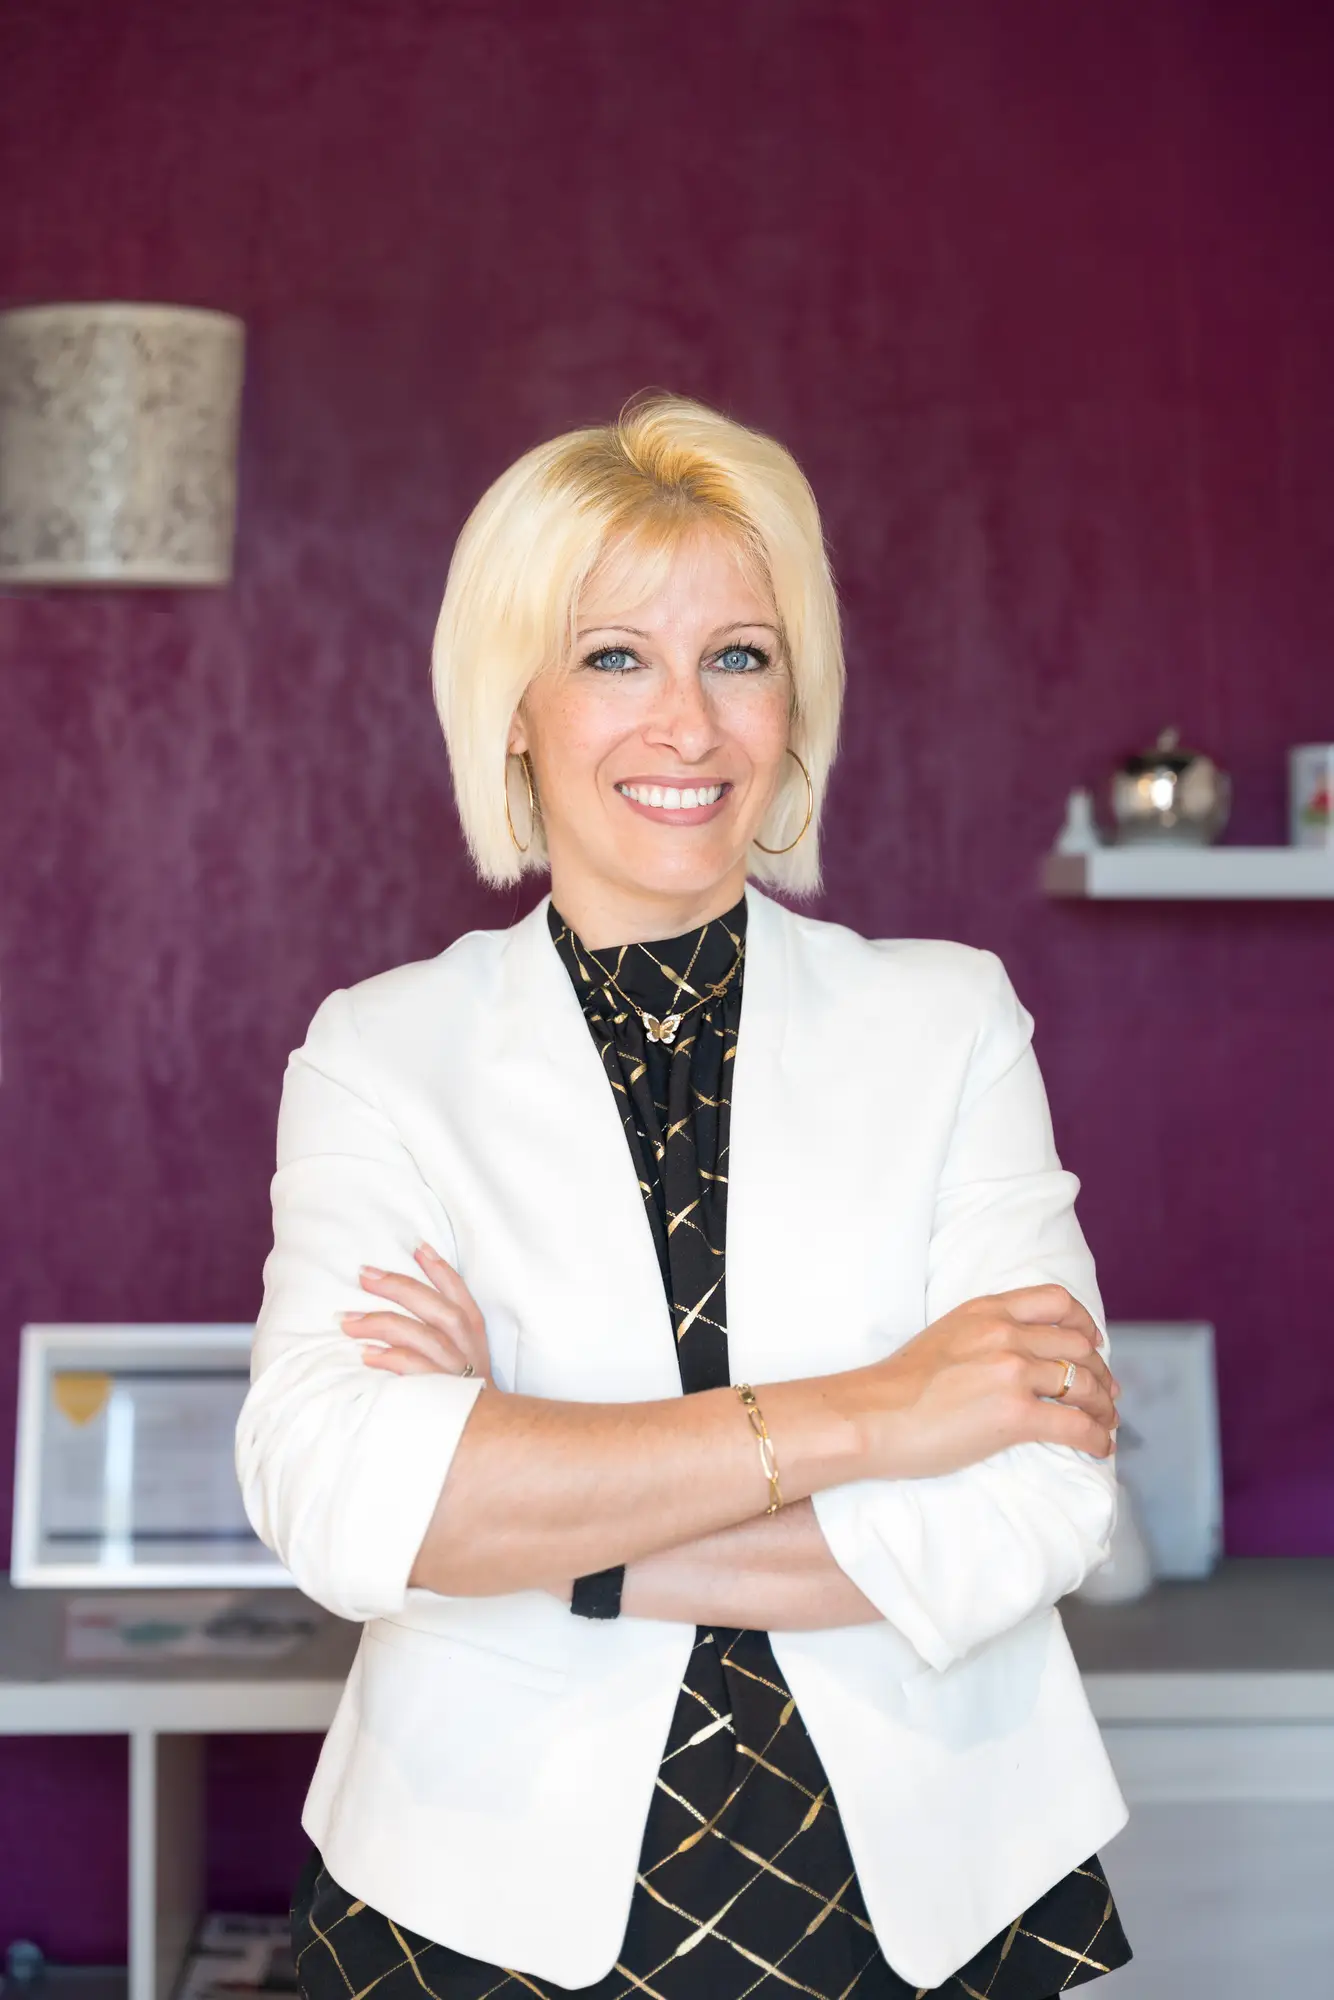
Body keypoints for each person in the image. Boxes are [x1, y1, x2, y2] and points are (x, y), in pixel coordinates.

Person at [237, 392, 1133, 1998]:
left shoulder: (948, 1023)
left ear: (794, 697)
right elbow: (344, 1501)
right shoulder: (380, 1053)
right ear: (514, 707)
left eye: (737, 655)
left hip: (928, 1893)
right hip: (473, 1893)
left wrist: (531, 1504)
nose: (688, 724)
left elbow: (1037, 1498)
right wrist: (880, 1413)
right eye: (611, 658)